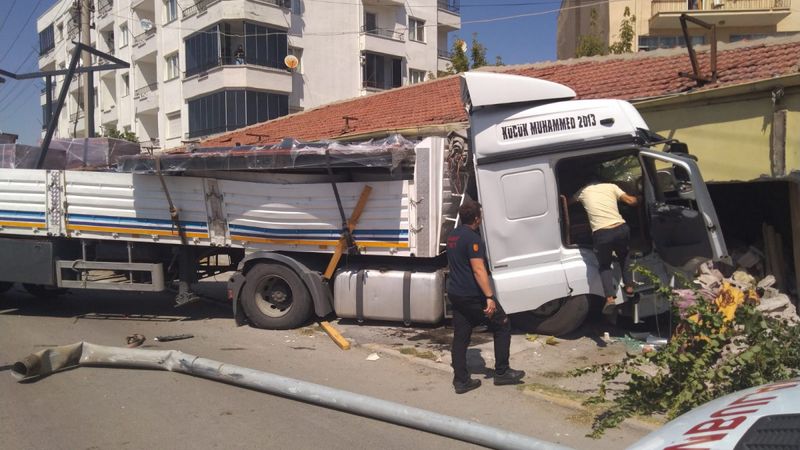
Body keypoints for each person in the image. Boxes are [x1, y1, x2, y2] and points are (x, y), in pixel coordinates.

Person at [446, 200, 525, 394]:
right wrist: (489, 296)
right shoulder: (472, 238)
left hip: (455, 293)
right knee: (503, 323)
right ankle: (502, 372)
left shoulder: (453, 236)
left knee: (461, 335)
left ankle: (461, 380)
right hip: (472, 294)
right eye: (480, 215)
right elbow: (478, 269)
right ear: (476, 218)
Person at [573, 177, 640, 314]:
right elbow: (631, 201)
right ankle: (629, 288)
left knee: (605, 265)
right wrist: (642, 198)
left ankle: (610, 299)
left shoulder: (583, 192)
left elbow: (566, 203)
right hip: (621, 228)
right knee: (624, 257)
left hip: (602, 234)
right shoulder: (611, 186)